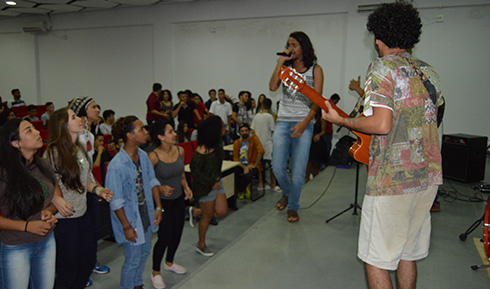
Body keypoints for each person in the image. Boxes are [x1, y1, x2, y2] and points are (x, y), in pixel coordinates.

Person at [321, 2, 444, 288]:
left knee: (376, 259)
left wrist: (342, 121)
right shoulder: (429, 71)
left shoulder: (381, 67)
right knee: (407, 253)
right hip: (427, 176)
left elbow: (381, 124)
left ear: (378, 38)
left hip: (392, 180)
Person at [45, 108, 113, 289]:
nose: (80, 119)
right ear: (63, 125)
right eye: (74, 117)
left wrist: (98, 190)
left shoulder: (80, 148)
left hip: (82, 215)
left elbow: (87, 180)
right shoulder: (53, 152)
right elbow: (44, 184)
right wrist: (55, 199)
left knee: (88, 261)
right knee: (68, 269)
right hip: (63, 220)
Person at [0, 119, 62, 289]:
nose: (37, 132)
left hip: (46, 241)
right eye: (29, 130)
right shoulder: (3, 174)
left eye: (34, 128)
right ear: (16, 143)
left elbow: (57, 196)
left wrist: (49, 210)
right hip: (16, 246)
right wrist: (27, 226)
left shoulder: (43, 164)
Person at [269, 31, 323, 223]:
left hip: (304, 123)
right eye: (289, 45)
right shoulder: (285, 68)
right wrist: (280, 62)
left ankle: (293, 206)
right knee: (277, 167)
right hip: (283, 121)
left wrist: (305, 123)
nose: (291, 48)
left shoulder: (315, 69)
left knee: (299, 172)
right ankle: (288, 193)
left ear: (303, 47)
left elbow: (317, 101)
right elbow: (273, 87)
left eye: (294, 45)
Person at [105, 116, 163, 289]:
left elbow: (152, 181)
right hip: (130, 220)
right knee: (132, 260)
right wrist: (126, 226)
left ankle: (137, 284)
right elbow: (115, 201)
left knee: (144, 253)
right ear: (130, 136)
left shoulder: (143, 156)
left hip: (145, 214)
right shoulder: (116, 166)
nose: (146, 132)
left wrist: (158, 207)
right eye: (141, 129)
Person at [68, 96, 111, 281]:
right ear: (83, 111)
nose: (98, 110)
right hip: (76, 191)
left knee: (92, 228)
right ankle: (80, 268)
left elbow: (88, 168)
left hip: (90, 188)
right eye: (93, 107)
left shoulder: (91, 135)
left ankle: (90, 262)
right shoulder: (74, 136)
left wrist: (96, 188)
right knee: (79, 233)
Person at [149, 119, 193, 289]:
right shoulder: (153, 157)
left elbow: (181, 174)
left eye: (173, 131)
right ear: (160, 136)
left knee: (177, 233)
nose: (175, 134)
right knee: (164, 236)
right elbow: (148, 181)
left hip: (178, 199)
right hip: (163, 202)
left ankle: (169, 262)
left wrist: (186, 187)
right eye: (170, 132)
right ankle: (155, 272)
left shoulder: (180, 150)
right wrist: (160, 188)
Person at [188, 116, 228, 257]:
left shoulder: (218, 144)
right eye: (222, 126)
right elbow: (195, 172)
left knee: (222, 211)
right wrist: (211, 183)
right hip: (205, 187)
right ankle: (201, 244)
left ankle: (197, 212)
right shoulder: (201, 152)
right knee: (208, 217)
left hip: (216, 183)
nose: (225, 128)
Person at [251, 98, 278, 190]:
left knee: (260, 165)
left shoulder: (256, 116)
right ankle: (273, 184)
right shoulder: (269, 117)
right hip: (267, 144)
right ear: (270, 107)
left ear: (262, 106)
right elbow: (273, 130)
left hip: (258, 144)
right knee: (271, 166)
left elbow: (253, 130)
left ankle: (261, 184)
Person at [233, 123, 264, 199]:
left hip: (252, 164)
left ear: (249, 131)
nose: (244, 132)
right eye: (242, 131)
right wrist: (244, 167)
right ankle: (242, 189)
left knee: (248, 175)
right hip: (241, 164)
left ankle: (241, 190)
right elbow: (235, 158)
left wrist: (255, 165)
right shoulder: (237, 143)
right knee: (233, 172)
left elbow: (261, 151)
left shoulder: (254, 138)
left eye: (246, 130)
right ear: (239, 133)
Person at [305, 111, 326, 182]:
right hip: (309, 140)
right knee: (308, 161)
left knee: (316, 162)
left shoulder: (321, 119)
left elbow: (324, 131)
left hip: (317, 141)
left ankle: (315, 178)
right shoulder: (308, 118)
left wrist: (318, 135)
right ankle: (307, 178)